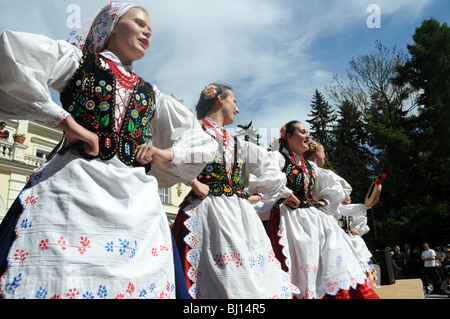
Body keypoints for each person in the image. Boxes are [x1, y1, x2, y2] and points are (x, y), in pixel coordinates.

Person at [0, 2, 217, 299]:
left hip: (136, 198)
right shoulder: (79, 62)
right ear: (113, 26)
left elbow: (202, 141)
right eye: (139, 23)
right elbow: (10, 54)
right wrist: (66, 122)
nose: (147, 32)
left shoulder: (151, 92)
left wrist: (163, 154)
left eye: (150, 30)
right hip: (74, 185)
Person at [171, 83, 299, 299]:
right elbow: (169, 155)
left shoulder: (237, 144)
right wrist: (193, 181)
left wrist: (261, 195)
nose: (237, 109)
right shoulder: (194, 129)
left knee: (248, 278)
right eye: (235, 101)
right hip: (205, 213)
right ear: (220, 99)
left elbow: (271, 169)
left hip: (240, 215)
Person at [265, 121, 379, 299]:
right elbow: (265, 177)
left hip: (314, 219)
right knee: (299, 270)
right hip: (289, 221)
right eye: (302, 132)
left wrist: (324, 202)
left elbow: (334, 186)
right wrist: (285, 193)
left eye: (307, 132)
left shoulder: (309, 167)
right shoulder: (278, 159)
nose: (307, 136)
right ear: (288, 136)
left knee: (337, 262)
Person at [303, 140, 378, 288]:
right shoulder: (324, 174)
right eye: (324, 151)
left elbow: (337, 209)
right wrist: (364, 206)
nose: (325, 156)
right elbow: (333, 209)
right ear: (316, 152)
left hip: (300, 225)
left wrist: (364, 207)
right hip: (323, 228)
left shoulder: (294, 170)